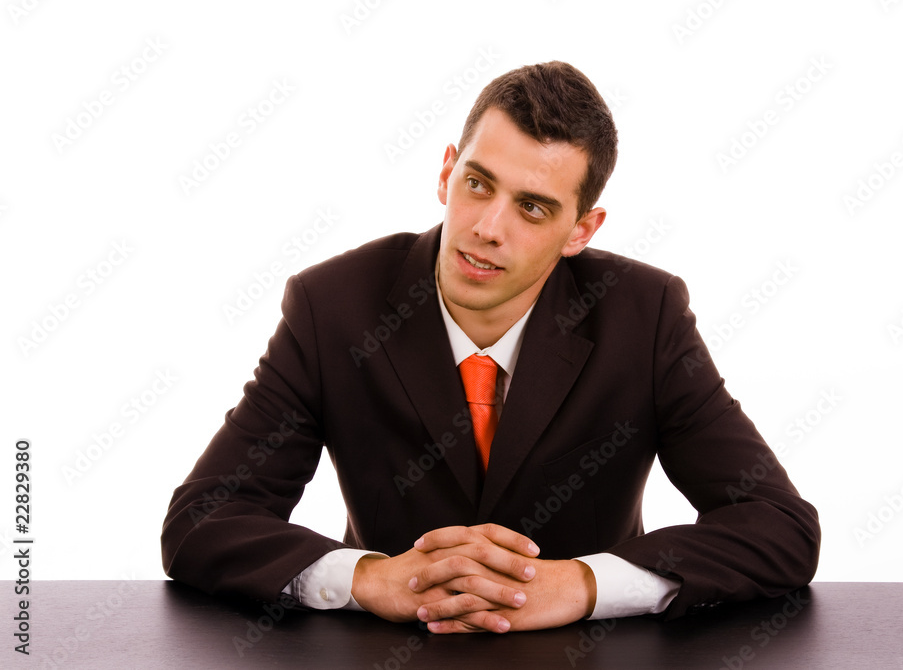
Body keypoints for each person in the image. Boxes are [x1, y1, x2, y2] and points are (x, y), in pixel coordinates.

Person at [161, 60, 820, 634]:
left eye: (532, 208)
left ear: (581, 230)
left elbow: (778, 525)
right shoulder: (332, 306)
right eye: (477, 184)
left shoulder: (643, 317)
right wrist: (369, 579)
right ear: (447, 172)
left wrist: (583, 585)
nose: (487, 228)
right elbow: (201, 521)